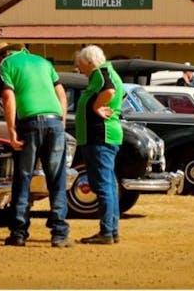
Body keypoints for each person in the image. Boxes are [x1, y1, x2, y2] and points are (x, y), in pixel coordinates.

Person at [0, 41, 73, 248]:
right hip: (54, 121)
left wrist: (12, 131)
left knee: (23, 179)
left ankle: (19, 233)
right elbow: (61, 93)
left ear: (0, 56)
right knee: (57, 179)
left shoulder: (6, 65)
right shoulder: (43, 62)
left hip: (29, 123)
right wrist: (61, 120)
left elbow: (8, 98)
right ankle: (59, 234)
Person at [74, 44, 124, 245]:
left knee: (103, 185)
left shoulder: (100, 73)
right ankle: (111, 230)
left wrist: (96, 106)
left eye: (81, 66)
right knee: (108, 185)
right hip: (105, 135)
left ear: (89, 62)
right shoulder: (108, 72)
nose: (80, 70)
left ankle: (107, 232)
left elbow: (109, 90)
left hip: (99, 135)